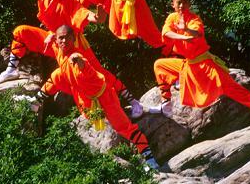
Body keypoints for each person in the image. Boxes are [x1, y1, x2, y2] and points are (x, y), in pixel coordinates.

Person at [0, 0, 144, 116]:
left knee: (98, 74)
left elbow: (86, 14)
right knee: (21, 32)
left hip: (72, 44)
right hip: (52, 39)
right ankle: (11, 70)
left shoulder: (68, 1)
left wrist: (98, 16)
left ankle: (133, 101)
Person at [33, 25, 163, 171]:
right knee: (57, 75)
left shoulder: (77, 57)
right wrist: (50, 36)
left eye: (66, 37)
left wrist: (80, 62)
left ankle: (150, 160)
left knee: (125, 128)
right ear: (57, 40)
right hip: (86, 99)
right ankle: (36, 102)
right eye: (60, 38)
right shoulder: (58, 48)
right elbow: (54, 37)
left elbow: (88, 70)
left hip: (105, 97)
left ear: (73, 39)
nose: (63, 41)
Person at [150, 0, 250, 133]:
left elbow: (197, 33)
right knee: (160, 65)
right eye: (178, 2)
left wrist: (186, 30)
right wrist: (183, 37)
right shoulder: (172, 18)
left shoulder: (195, 19)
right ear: (173, 5)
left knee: (235, 90)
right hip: (189, 65)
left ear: (189, 4)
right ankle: (166, 104)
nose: (182, 5)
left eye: (184, 2)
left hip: (206, 66)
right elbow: (165, 34)